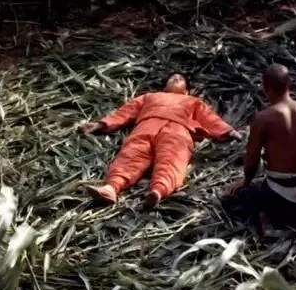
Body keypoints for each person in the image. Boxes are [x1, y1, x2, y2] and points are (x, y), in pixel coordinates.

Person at [78, 73, 242, 208]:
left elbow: (209, 118)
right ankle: (111, 187)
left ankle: (158, 191)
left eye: (180, 78)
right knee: (131, 155)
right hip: (146, 126)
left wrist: (228, 131)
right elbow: (126, 111)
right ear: (164, 87)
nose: (176, 78)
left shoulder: (193, 101)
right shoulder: (150, 96)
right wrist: (100, 124)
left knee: (171, 159)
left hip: (177, 130)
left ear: (186, 90)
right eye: (172, 77)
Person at [223, 64, 296, 233]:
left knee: (233, 198)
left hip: (280, 193)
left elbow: (252, 161)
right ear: (289, 85)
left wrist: (245, 181)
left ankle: (268, 222)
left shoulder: (262, 119)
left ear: (265, 87)